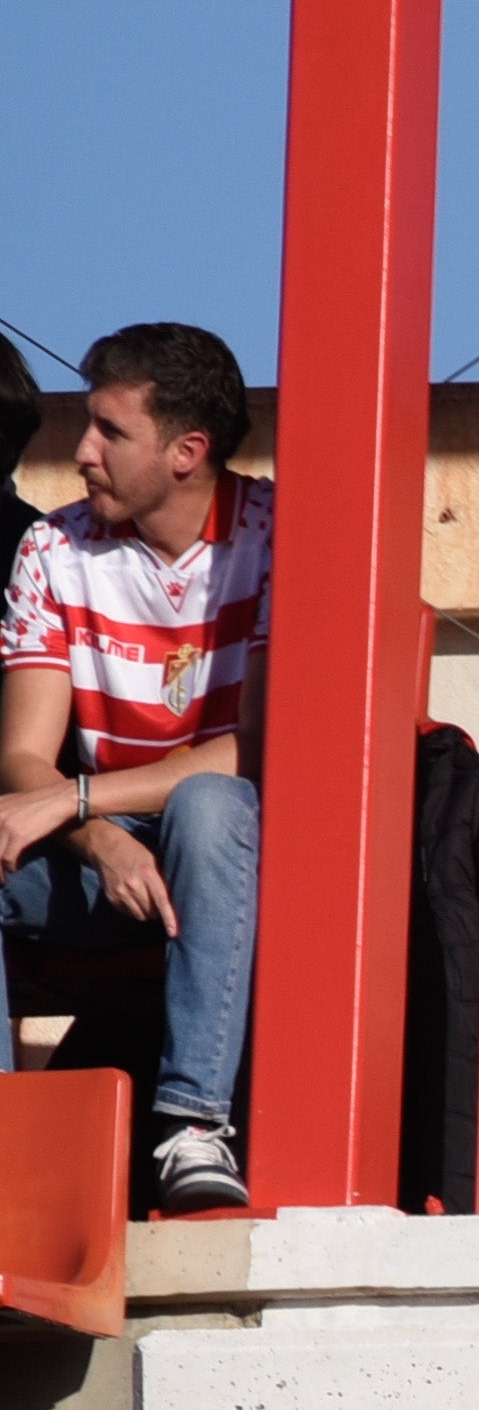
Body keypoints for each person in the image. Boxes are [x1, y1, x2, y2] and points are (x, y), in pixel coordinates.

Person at [0, 320, 269, 1212]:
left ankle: (193, 1125)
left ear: (187, 451)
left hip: (238, 853)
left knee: (210, 804)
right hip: (97, 851)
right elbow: (21, 756)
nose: (80, 452)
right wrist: (101, 837)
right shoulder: (53, 548)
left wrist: (81, 798)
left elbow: (256, 745)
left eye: (110, 431)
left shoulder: (275, 535)